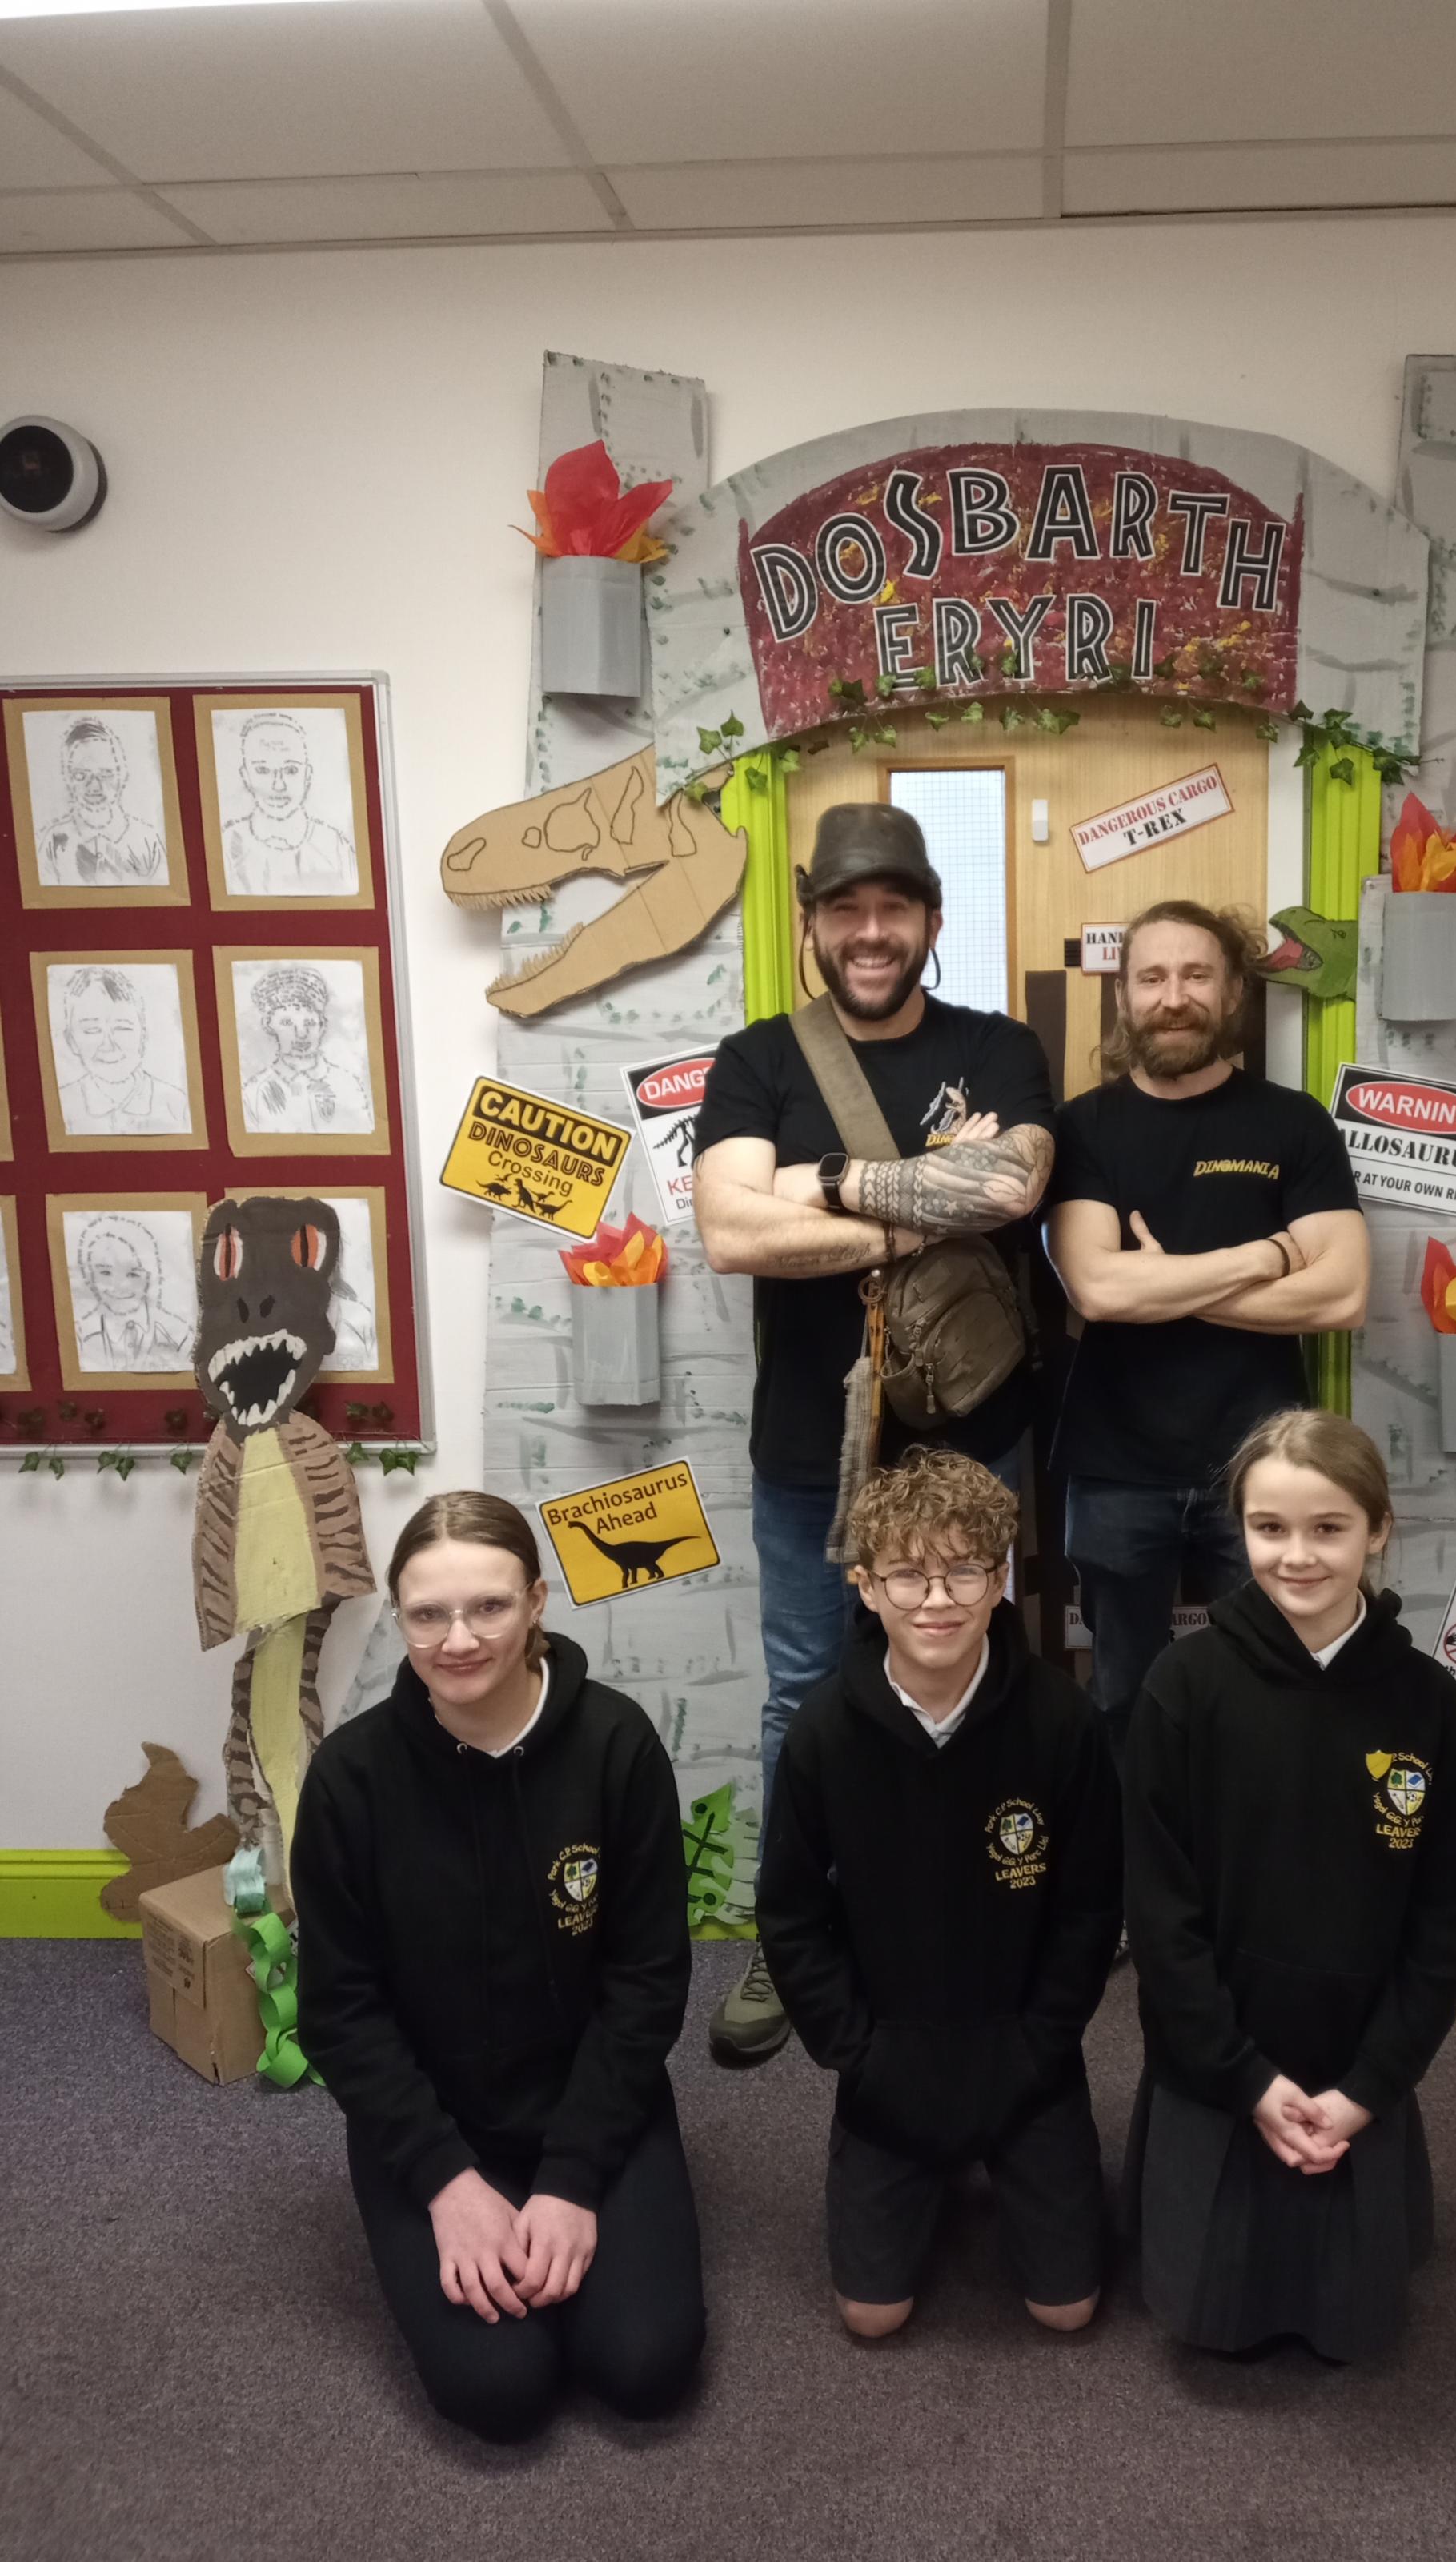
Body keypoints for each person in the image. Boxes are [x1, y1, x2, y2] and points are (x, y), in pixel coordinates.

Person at [693, 803, 1057, 2064]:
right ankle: (793, 1940)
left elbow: (1010, 1186)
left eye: (893, 908)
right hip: (814, 1441)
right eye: (845, 909)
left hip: (974, 1432)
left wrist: (827, 1184)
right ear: (813, 923)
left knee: (984, 1679)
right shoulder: (757, 1060)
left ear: (931, 921)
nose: (869, 931)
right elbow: (732, 1234)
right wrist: (919, 1206)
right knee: (804, 1691)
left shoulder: (1002, 1044)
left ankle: (976, 1921)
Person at [290, 1492, 705, 2444]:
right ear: (400, 1616)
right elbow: (341, 2012)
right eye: (427, 1613)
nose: (459, 1637)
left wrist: (571, 2178)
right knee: (499, 2391)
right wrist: (446, 2180)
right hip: (437, 2121)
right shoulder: (352, 1778)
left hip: (592, 2099)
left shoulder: (616, 1744)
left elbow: (647, 1982)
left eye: (489, 1605)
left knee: (643, 2366)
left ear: (538, 1602)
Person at [1125, 1409, 1456, 2363]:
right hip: (1223, 2058)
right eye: (1269, 1527)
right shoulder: (1183, 1684)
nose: (1296, 1555)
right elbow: (1161, 1917)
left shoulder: (1431, 1705)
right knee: (1210, 2315)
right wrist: (1245, 2076)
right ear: (1240, 1529)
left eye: (1327, 1528)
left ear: (1377, 1527)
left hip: (1358, 2058)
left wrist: (1372, 2086)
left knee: (1356, 2322)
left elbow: (1443, 1920)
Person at [756, 1450, 1120, 2339]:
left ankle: (1002, 2148)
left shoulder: (1061, 1718)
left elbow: (1090, 1905)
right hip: (890, 2059)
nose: (937, 1598)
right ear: (866, 1587)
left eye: (965, 1569)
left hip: (1026, 2052)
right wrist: (859, 2055)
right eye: (907, 1574)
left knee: (1067, 2309)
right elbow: (792, 1914)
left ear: (1001, 1579)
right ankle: (930, 2156)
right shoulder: (823, 1732)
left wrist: (1042, 2043)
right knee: (871, 2316)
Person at [1046, 899, 1368, 1762]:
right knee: (1122, 1699)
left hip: (1265, 1465)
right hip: (1114, 1466)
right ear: (1123, 998)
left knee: (1270, 1691)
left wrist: (1167, 1279)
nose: (1173, 996)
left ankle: (1254, 1878)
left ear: (1232, 995)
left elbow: (1341, 1293)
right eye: (1151, 977)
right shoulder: (1085, 1126)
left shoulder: (1293, 1122)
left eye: (1196, 975)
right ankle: (1131, 1887)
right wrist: (1269, 1253)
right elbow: (1098, 1285)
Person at [222, 711, 359, 896]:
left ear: (307, 775)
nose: (278, 785)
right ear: (246, 776)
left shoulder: (335, 847)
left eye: (291, 770)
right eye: (262, 770)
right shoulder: (227, 846)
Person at [54, 963, 192, 1137]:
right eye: (92, 1030)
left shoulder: (175, 1103)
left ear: (143, 1034)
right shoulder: (63, 1103)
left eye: (123, 1028)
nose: (108, 1045)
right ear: (71, 1040)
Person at [239, 961, 375, 1134]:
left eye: (309, 1022)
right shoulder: (254, 1093)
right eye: (287, 1023)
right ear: (268, 1025)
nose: (301, 1034)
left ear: (322, 1026)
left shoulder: (347, 1085)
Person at [35, 713, 167, 887]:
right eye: (81, 775)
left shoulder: (147, 840)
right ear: (68, 779)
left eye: (105, 774)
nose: (95, 786)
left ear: (122, 776)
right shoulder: (54, 842)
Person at [70, 1211, 192, 1370]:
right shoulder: (79, 1336)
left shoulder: (180, 1336)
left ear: (151, 1276)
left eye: (133, 1274)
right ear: (90, 1276)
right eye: (105, 1273)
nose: (119, 1286)